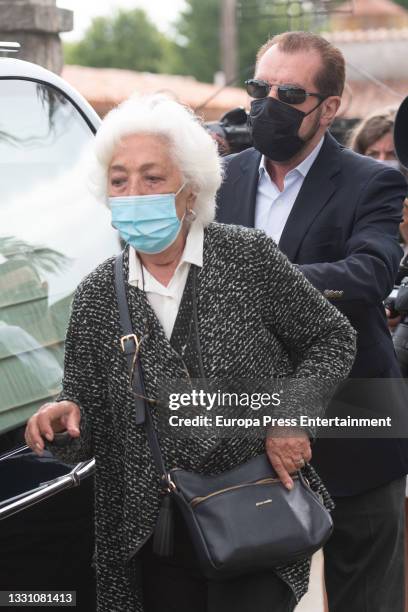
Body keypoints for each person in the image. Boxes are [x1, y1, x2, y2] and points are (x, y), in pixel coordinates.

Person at [24, 94, 355, 612]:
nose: (133, 193)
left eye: (152, 178)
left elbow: (332, 337)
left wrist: (291, 418)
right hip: (153, 537)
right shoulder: (96, 296)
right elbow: (84, 430)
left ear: (190, 188)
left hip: (255, 511)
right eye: (119, 181)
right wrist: (63, 419)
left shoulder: (246, 257)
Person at [216, 31, 408, 612]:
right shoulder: (219, 178)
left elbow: (370, 274)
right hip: (244, 435)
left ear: (330, 107)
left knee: (365, 599)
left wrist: (258, 279)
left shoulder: (372, 181)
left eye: (289, 93)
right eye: (259, 88)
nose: (267, 104)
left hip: (355, 425)